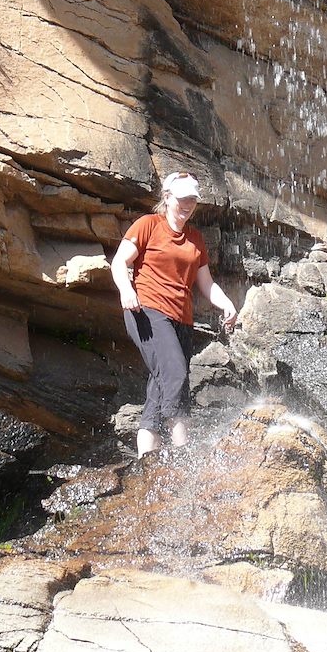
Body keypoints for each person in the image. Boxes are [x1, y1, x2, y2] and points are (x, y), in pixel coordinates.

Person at [112, 171, 238, 458]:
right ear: (167, 197)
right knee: (175, 375)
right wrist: (126, 289)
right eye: (182, 198)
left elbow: (206, 283)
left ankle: (147, 460)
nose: (188, 205)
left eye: (192, 199)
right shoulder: (148, 225)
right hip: (147, 311)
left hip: (182, 321)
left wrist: (226, 303)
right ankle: (183, 453)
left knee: (161, 385)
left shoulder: (195, 239)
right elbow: (119, 262)